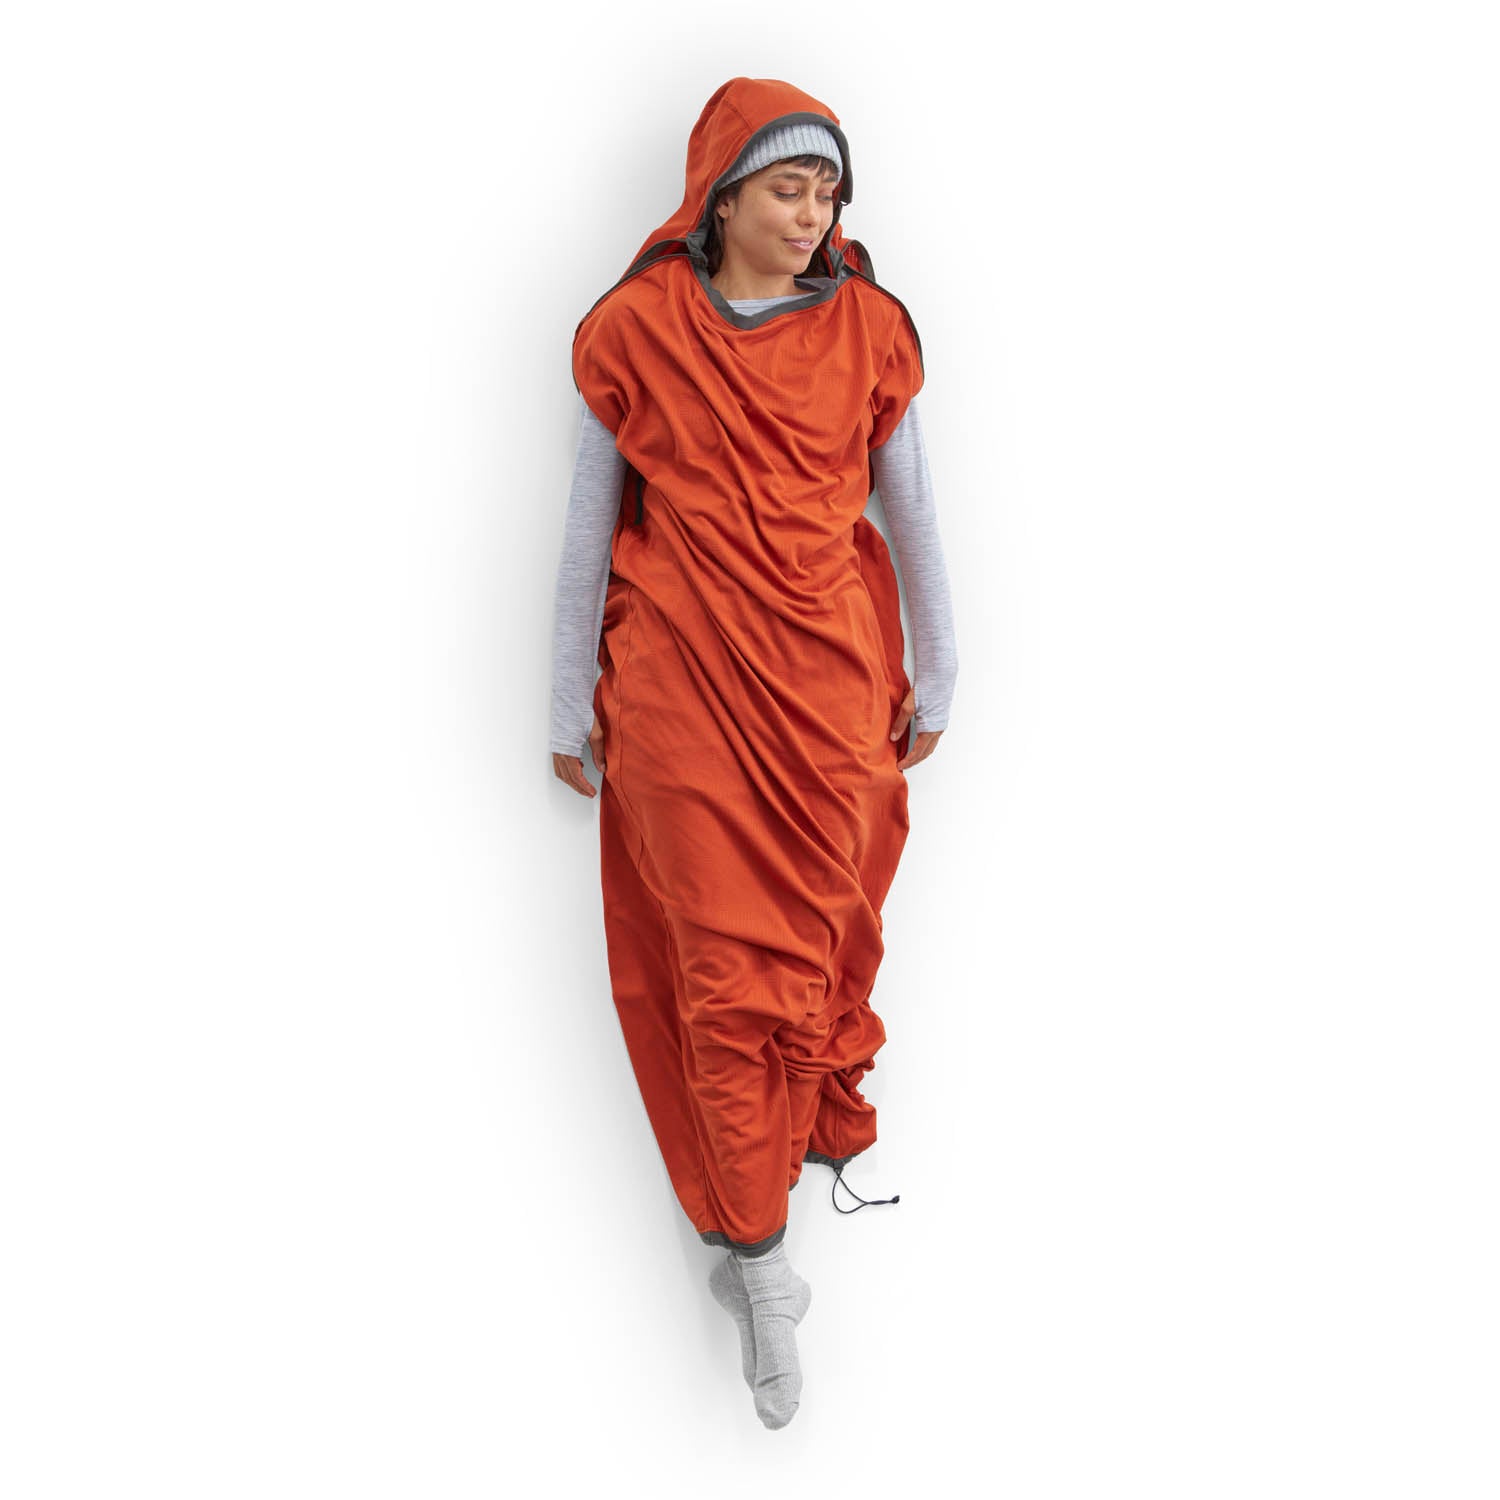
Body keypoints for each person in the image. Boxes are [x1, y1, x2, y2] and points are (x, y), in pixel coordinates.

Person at [548, 77, 957, 1429]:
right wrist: (562, 699)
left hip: (829, 698)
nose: (813, 213)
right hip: (680, 692)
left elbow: (911, 513)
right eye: (789, 188)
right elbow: (587, 524)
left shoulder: (871, 331)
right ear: (722, 197)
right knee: (724, 981)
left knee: (807, 964)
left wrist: (944, 665)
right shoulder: (636, 329)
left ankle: (755, 1229)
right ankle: (768, 1267)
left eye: (829, 191)